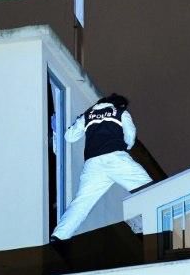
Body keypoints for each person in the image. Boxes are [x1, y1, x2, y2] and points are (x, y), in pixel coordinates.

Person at [50, 93, 152, 241]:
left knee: (82, 203)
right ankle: (151, 225)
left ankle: (58, 236)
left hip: (93, 165)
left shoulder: (87, 115)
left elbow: (69, 137)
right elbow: (130, 136)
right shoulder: (120, 112)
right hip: (116, 158)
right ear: (119, 104)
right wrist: (126, 145)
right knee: (150, 190)